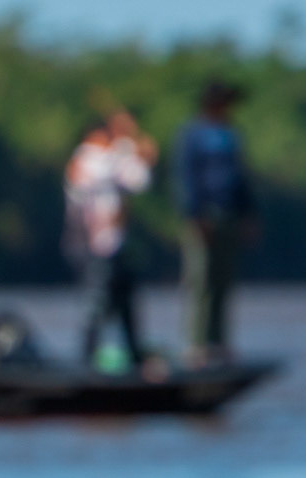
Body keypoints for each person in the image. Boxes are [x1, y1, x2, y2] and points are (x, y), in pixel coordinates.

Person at [64, 109, 157, 373]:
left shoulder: (111, 159)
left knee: (127, 304)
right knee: (95, 306)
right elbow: (109, 167)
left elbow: (140, 180)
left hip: (116, 248)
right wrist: (129, 140)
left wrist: (137, 151)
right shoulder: (85, 159)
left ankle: (134, 358)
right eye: (104, 136)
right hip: (91, 248)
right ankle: (86, 362)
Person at [174, 79, 256, 365]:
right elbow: (188, 178)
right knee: (200, 281)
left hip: (230, 216)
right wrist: (195, 216)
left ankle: (219, 343)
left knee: (224, 282)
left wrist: (248, 215)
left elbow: (242, 178)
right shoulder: (193, 134)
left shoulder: (231, 134)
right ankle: (196, 345)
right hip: (203, 217)